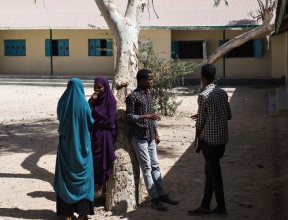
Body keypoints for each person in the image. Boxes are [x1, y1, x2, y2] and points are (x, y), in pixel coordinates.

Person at [126, 69, 178, 212]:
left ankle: (162, 195)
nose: (151, 81)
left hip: (149, 136)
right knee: (147, 168)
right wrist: (146, 116)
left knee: (155, 166)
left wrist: (156, 132)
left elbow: (152, 114)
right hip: (139, 136)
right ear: (141, 81)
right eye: (149, 79)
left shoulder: (149, 94)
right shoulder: (133, 96)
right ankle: (154, 198)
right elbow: (130, 117)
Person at [188, 64, 232, 217]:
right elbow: (227, 114)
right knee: (211, 172)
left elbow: (200, 122)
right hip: (221, 140)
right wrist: (208, 114)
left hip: (209, 142)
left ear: (203, 77)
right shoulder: (222, 93)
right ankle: (204, 206)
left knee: (214, 174)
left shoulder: (204, 95)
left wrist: (196, 140)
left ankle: (221, 207)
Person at [54, 78, 95, 220]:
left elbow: (60, 117)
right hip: (83, 147)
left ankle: (67, 214)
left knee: (65, 178)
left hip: (66, 147)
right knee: (84, 177)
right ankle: (82, 214)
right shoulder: (84, 105)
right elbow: (90, 122)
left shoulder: (62, 102)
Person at [88, 77, 117, 200]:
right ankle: (94, 194)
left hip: (105, 137)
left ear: (105, 87)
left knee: (103, 163)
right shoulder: (94, 101)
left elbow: (110, 121)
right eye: (95, 87)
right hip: (94, 136)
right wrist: (90, 104)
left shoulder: (111, 101)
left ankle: (101, 193)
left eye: (99, 87)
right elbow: (86, 116)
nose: (97, 90)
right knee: (93, 164)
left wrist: (95, 116)